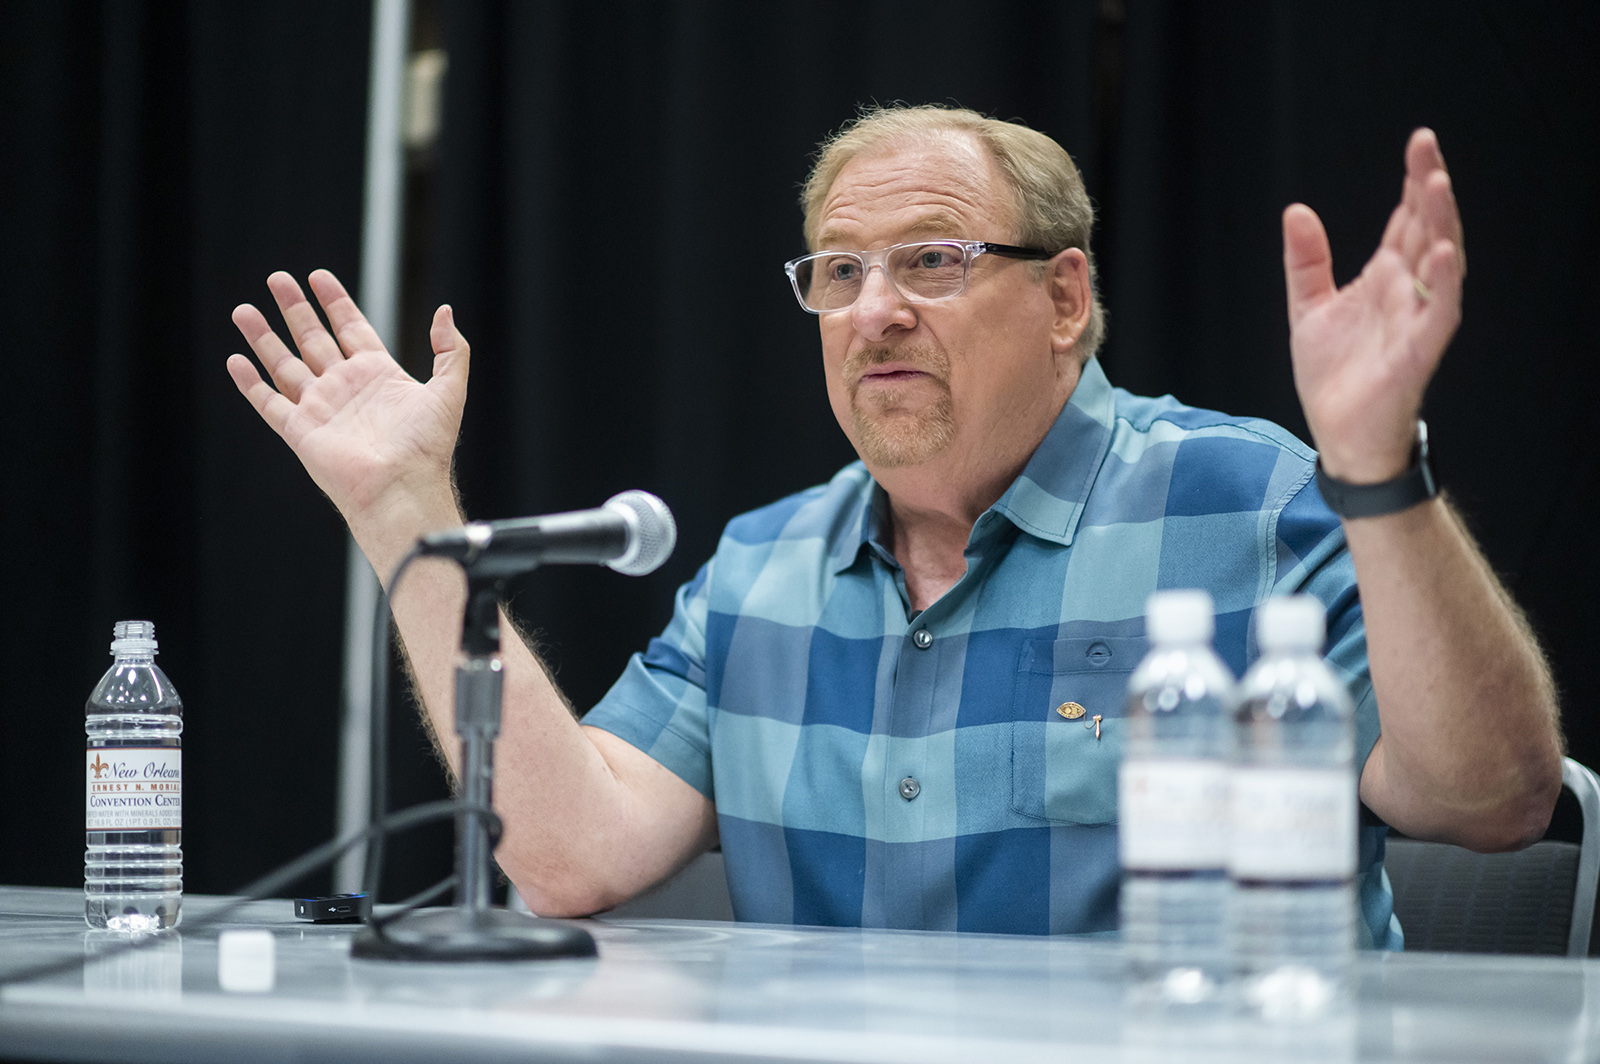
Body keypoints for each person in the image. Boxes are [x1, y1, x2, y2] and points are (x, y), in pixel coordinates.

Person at [227, 105, 1562, 941]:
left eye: (933, 259)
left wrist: (1378, 465)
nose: (874, 309)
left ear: (1062, 296)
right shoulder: (760, 568)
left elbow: (1490, 798)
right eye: (839, 273)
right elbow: (566, 854)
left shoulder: (1255, 496)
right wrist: (403, 505)